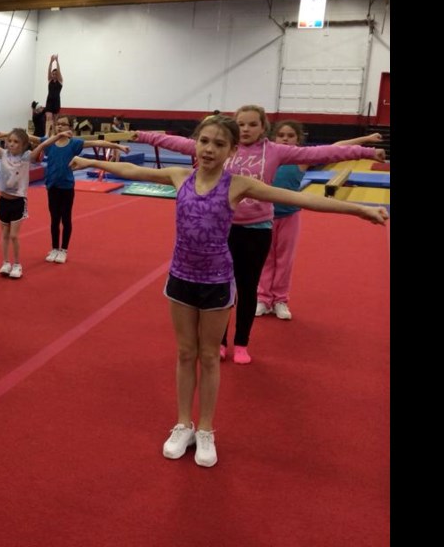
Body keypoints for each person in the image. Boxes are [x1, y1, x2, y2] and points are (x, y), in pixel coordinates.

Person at [71, 115, 387, 468]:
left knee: (209, 356)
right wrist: (88, 160)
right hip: (181, 279)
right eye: (204, 141)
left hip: (217, 281)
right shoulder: (180, 176)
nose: (209, 149)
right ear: (196, 143)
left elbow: (297, 198)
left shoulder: (238, 185)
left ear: (232, 151)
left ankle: (205, 428)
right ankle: (182, 424)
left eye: (219, 144)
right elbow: (130, 171)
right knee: (185, 353)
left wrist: (357, 209)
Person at [123, 106, 385, 364]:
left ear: (263, 128)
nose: (246, 129)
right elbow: (177, 142)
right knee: (224, 290)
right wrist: (142, 135)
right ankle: (221, 342)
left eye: (252, 124)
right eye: (241, 123)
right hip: (223, 227)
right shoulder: (220, 145)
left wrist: (367, 153)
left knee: (248, 288)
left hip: (256, 228)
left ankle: (242, 342)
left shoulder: (273, 151)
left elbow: (322, 153)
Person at [256, 124, 383, 320]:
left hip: (290, 216)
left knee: (284, 260)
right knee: (265, 258)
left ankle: (280, 299)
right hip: (265, 216)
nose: (285, 139)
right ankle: (263, 299)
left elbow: (336, 148)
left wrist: (363, 141)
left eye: (290, 136)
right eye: (281, 135)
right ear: (273, 138)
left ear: (298, 139)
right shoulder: (269, 156)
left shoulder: (301, 159)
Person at [0, 127, 63, 278]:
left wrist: (59, 136)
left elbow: (42, 145)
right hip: (3, 200)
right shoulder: (3, 154)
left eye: (16, 142)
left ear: (23, 145)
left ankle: (17, 264)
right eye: (9, 141)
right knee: (4, 234)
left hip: (18, 202)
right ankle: (5, 262)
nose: (11, 144)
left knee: (14, 236)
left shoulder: (26, 157)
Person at [38, 116, 129, 263]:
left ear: (70, 128)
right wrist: (5, 135)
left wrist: (118, 147)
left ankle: (64, 250)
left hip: (66, 186)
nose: (60, 127)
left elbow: (97, 142)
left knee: (66, 218)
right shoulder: (49, 143)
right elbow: (29, 138)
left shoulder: (74, 143)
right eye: (58, 124)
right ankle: (55, 248)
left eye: (63, 125)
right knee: (54, 219)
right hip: (52, 185)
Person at [44, 54, 63, 137]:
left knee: (55, 121)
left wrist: (57, 61)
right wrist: (51, 62)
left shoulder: (60, 81)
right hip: (49, 101)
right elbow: (49, 71)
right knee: (48, 117)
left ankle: (53, 134)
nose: (54, 75)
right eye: (53, 74)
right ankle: (46, 134)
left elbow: (59, 71)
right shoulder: (50, 80)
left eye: (55, 74)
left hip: (56, 102)